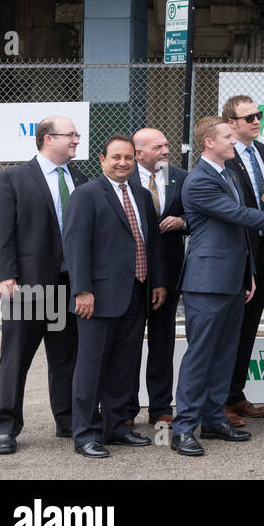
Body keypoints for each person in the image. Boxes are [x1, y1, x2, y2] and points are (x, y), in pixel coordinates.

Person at [171, 116, 264, 457]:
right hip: (206, 283)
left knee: (224, 355)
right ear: (209, 142)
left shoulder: (229, 174)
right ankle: (183, 429)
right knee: (201, 356)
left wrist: (249, 273)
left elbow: (239, 233)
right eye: (227, 136)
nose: (233, 141)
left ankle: (212, 420)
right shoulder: (199, 181)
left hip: (234, 280)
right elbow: (240, 216)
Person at [0, 115, 87, 455]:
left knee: (66, 358)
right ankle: (5, 428)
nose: (77, 139)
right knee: (16, 360)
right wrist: (5, 276)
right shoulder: (14, 179)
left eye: (77, 134)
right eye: (70, 135)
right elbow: (2, 233)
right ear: (48, 138)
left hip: (68, 285)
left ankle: (68, 420)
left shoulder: (79, 177)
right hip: (27, 288)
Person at [63, 134, 165, 457]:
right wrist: (82, 290)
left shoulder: (141, 195)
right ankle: (85, 434)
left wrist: (158, 282)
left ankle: (118, 426)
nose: (123, 163)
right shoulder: (86, 195)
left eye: (128, 158)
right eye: (116, 157)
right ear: (102, 159)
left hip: (136, 292)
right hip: (97, 297)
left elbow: (152, 244)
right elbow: (76, 246)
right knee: (91, 367)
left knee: (125, 363)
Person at [221, 94, 264, 425]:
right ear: (231, 124)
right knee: (232, 324)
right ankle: (222, 398)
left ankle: (236, 394)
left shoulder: (262, 150)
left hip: (263, 244)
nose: (256, 121)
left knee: (250, 324)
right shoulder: (225, 157)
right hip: (239, 247)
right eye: (249, 117)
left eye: (259, 115)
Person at [130, 127, 187, 426]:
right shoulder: (123, 178)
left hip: (169, 272)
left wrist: (183, 221)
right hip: (132, 273)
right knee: (127, 343)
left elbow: (199, 214)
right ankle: (126, 409)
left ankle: (160, 407)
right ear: (139, 153)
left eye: (166, 145)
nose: (166, 151)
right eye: (158, 147)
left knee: (163, 342)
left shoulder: (181, 176)